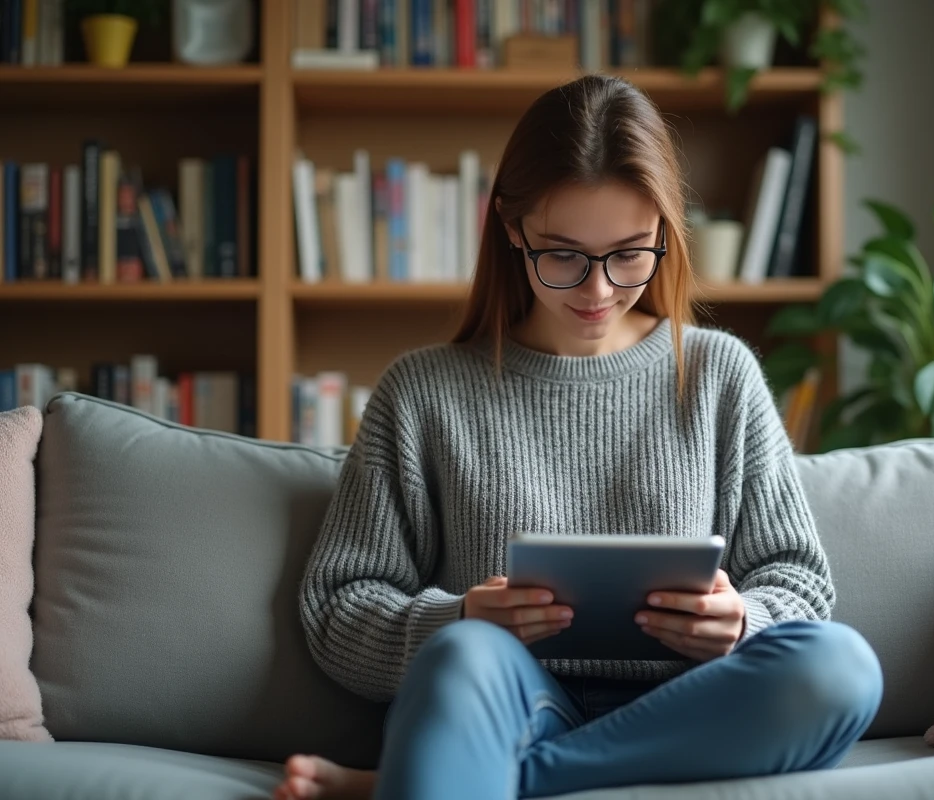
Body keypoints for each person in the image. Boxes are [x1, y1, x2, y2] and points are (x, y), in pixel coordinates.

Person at [273, 74, 882, 800]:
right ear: (510, 228)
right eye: (562, 255)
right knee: (463, 653)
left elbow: (801, 583)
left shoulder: (721, 375)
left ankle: (436, 782)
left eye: (629, 253)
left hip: (695, 708)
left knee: (841, 667)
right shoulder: (422, 391)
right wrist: (459, 613)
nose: (597, 292)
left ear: (665, 230)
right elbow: (338, 606)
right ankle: (473, 758)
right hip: (513, 702)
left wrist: (745, 619)